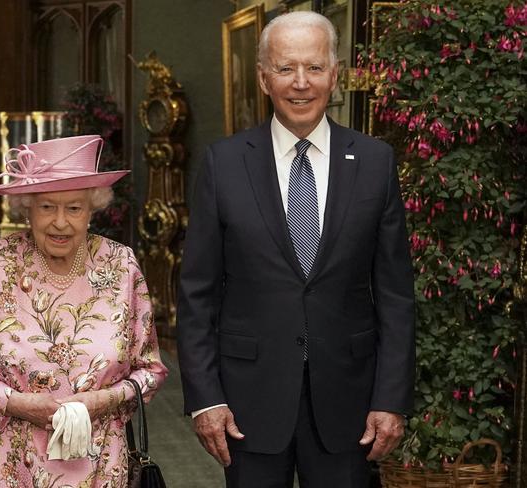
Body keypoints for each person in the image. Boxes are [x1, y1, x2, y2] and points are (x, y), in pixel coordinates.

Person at [176, 11, 415, 488]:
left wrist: (391, 399)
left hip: (351, 404)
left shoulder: (374, 161)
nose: (301, 83)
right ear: (263, 77)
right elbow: (197, 293)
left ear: (336, 74)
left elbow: (395, 295)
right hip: (247, 403)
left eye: (314, 67)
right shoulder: (224, 164)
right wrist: (206, 399)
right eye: (285, 69)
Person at [0, 135, 167, 487]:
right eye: (46, 207)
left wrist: (103, 400)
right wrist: (16, 403)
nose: (60, 222)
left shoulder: (121, 265)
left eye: (74, 208)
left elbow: (150, 372)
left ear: (92, 210)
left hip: (101, 465)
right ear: (25, 208)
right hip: (12, 465)